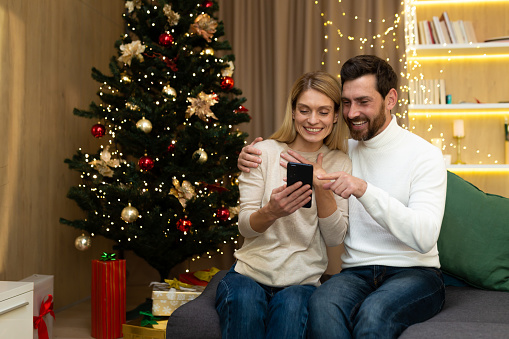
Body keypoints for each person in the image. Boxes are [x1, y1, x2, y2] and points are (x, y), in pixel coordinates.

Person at [237, 55, 447, 338]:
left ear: (391, 99)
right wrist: (244, 156)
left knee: (374, 313)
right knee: (321, 305)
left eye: (363, 102)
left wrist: (364, 189)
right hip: (356, 272)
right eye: (346, 103)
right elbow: (298, 145)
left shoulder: (425, 155)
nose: (351, 113)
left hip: (414, 272)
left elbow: (424, 237)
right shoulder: (340, 152)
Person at [215, 71, 352, 339]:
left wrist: (321, 186)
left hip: (302, 281)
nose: (313, 120)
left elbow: (335, 238)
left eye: (323, 112)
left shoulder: (340, 163)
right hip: (249, 274)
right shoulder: (262, 152)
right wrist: (271, 212)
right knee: (243, 304)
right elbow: (245, 227)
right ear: (292, 111)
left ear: (336, 116)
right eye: (304, 110)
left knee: (291, 312)